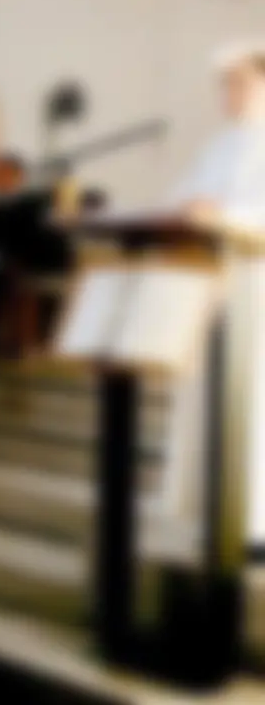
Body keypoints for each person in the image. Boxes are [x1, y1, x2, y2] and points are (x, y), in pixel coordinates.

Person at [157, 41, 265, 556]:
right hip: (212, 289)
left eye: (241, 81)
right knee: (210, 404)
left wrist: (221, 216)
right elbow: (177, 201)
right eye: (226, 83)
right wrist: (190, 209)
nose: (230, 92)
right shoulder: (218, 145)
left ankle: (258, 527)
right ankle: (212, 513)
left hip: (257, 293)